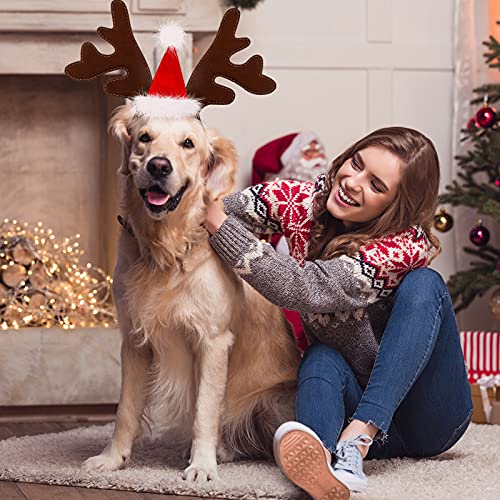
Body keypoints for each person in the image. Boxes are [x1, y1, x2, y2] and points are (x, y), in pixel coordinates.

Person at [202, 126, 473, 499]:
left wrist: (217, 224)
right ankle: (323, 459)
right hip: (355, 401)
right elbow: (215, 211)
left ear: (396, 207)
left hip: (429, 415)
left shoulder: (405, 246)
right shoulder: (302, 200)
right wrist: (164, 209)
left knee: (424, 284)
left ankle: (359, 436)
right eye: (356, 163)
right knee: (320, 355)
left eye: (376, 185)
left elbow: (302, 287)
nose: (353, 182)